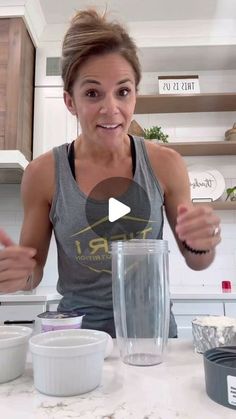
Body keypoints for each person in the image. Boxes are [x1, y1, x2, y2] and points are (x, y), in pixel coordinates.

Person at [0, 9, 221, 337]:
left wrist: (204, 244)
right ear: (70, 101)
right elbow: (32, 272)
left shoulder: (165, 164)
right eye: (92, 93)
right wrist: (15, 275)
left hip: (151, 337)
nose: (111, 109)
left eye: (123, 91)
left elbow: (197, 261)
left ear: (135, 93)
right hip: (77, 339)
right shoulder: (44, 174)